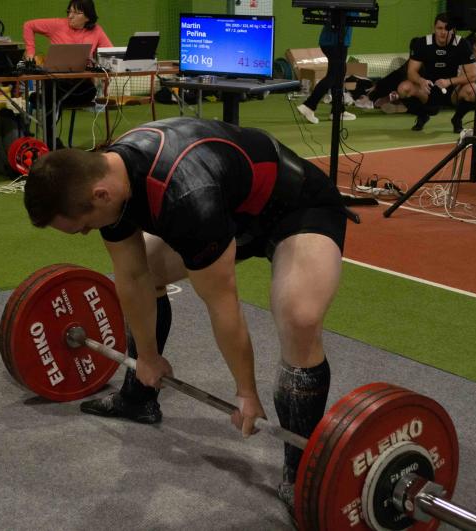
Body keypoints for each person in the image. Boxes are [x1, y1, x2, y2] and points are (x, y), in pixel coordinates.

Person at [23, 116, 349, 513]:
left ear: (100, 195)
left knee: (299, 318)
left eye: (84, 227)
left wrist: (246, 392)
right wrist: (147, 357)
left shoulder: (187, 198)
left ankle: (301, 474)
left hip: (296, 209)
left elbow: (222, 302)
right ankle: (139, 397)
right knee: (148, 268)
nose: (88, 232)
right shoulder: (110, 175)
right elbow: (132, 276)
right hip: (234, 209)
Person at [23, 0, 112, 148]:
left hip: (80, 84)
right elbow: (28, 25)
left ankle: (41, 100)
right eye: (69, 11)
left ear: (88, 16)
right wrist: (30, 52)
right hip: (55, 81)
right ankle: (50, 141)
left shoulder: (96, 30)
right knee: (51, 92)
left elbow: (109, 52)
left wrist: (96, 63)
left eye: (76, 13)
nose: (70, 16)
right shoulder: (57, 24)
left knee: (88, 92)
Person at [397, 13, 476, 131]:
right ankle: (423, 115)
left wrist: (448, 81)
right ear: (434, 28)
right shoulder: (422, 43)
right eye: (439, 28)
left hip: (453, 90)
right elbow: (411, 72)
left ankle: (457, 119)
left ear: (453, 30)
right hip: (428, 89)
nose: (443, 32)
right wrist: (421, 81)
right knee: (403, 88)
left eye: (447, 29)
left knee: (473, 90)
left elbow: (473, 75)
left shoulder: (462, 44)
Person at [296, 17, 356, 124]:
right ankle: (309, 106)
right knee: (333, 75)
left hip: (332, 41)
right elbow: (351, 15)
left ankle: (337, 111)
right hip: (337, 42)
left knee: (339, 75)